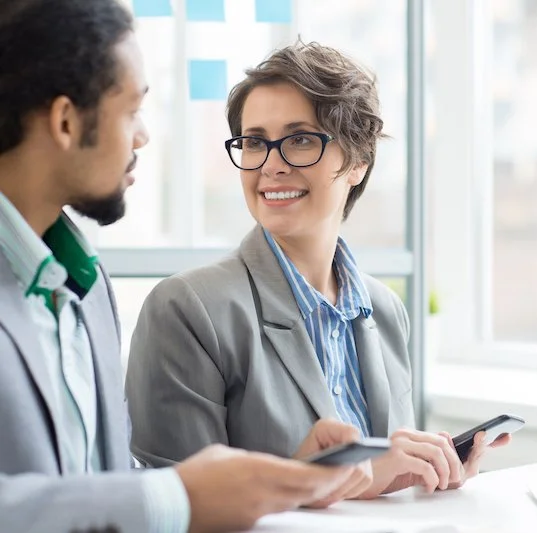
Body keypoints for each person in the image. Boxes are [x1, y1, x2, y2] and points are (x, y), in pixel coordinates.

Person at [0, 2, 371, 532]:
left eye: (300, 140)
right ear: (65, 121)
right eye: (131, 110)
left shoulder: (84, 285)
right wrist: (176, 496)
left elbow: (101, 490)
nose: (143, 136)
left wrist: (288, 477)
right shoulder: (184, 305)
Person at [125, 41, 510, 499]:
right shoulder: (187, 309)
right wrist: (312, 482)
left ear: (358, 161)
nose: (271, 164)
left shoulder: (385, 311)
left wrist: (422, 472)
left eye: (300, 139)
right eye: (253, 142)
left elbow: (378, 487)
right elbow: (174, 506)